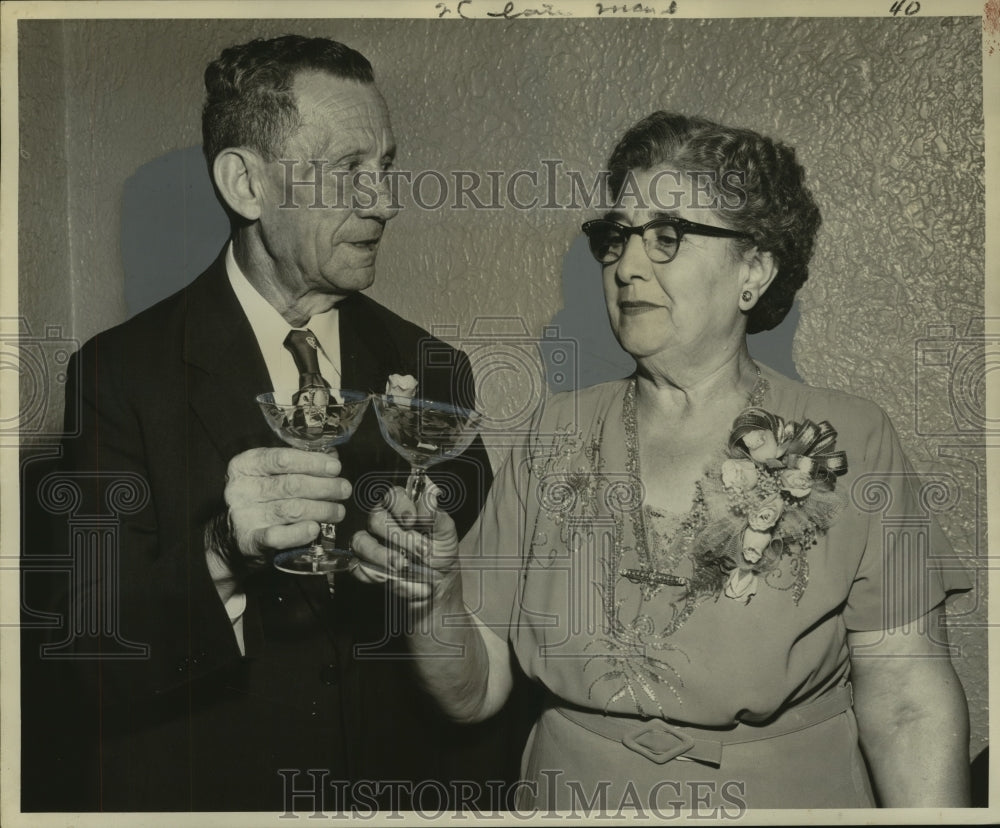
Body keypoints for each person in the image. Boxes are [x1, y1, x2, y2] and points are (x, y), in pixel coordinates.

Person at [352, 111, 973, 810]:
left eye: (667, 236)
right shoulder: (555, 434)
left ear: (754, 269)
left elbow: (909, 704)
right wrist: (432, 600)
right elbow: (472, 692)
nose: (627, 265)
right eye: (617, 237)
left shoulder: (850, 441)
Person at [28, 35, 527, 813]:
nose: (385, 201)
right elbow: (87, 653)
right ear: (246, 184)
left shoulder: (433, 371)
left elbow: (487, 638)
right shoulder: (119, 374)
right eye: (348, 169)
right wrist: (221, 551)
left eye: (386, 166)